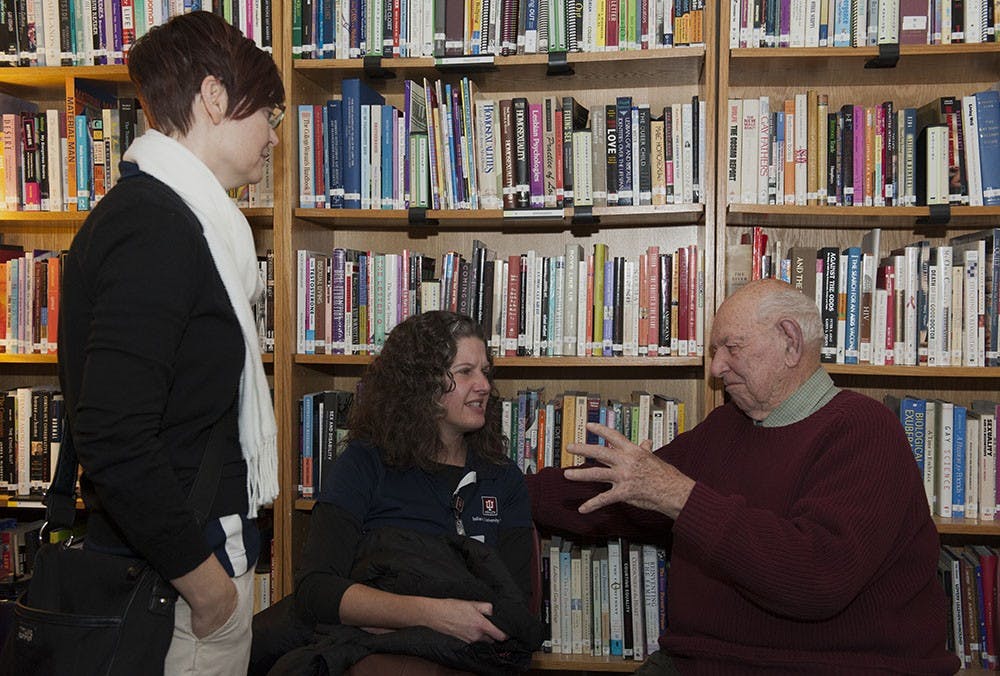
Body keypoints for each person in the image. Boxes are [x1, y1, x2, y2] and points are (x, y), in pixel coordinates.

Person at [527, 278, 961, 675]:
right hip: (698, 660)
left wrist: (678, 495)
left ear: (790, 342)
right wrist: (500, 490)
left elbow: (817, 578)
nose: (716, 368)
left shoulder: (864, 429)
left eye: (731, 348)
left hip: (828, 667)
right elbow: (620, 492)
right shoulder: (725, 428)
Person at [57, 11, 283, 675]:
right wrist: (207, 587)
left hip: (183, 578)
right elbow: (114, 434)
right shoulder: (156, 228)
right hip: (177, 597)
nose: (273, 137)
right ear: (215, 97)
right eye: (267, 112)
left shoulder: (184, 221)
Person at [267, 310, 539, 674]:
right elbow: (315, 590)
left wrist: (383, 612)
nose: (484, 385)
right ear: (421, 385)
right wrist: (433, 615)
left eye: (486, 371)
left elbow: (516, 607)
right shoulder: (364, 465)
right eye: (464, 372)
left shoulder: (503, 479)